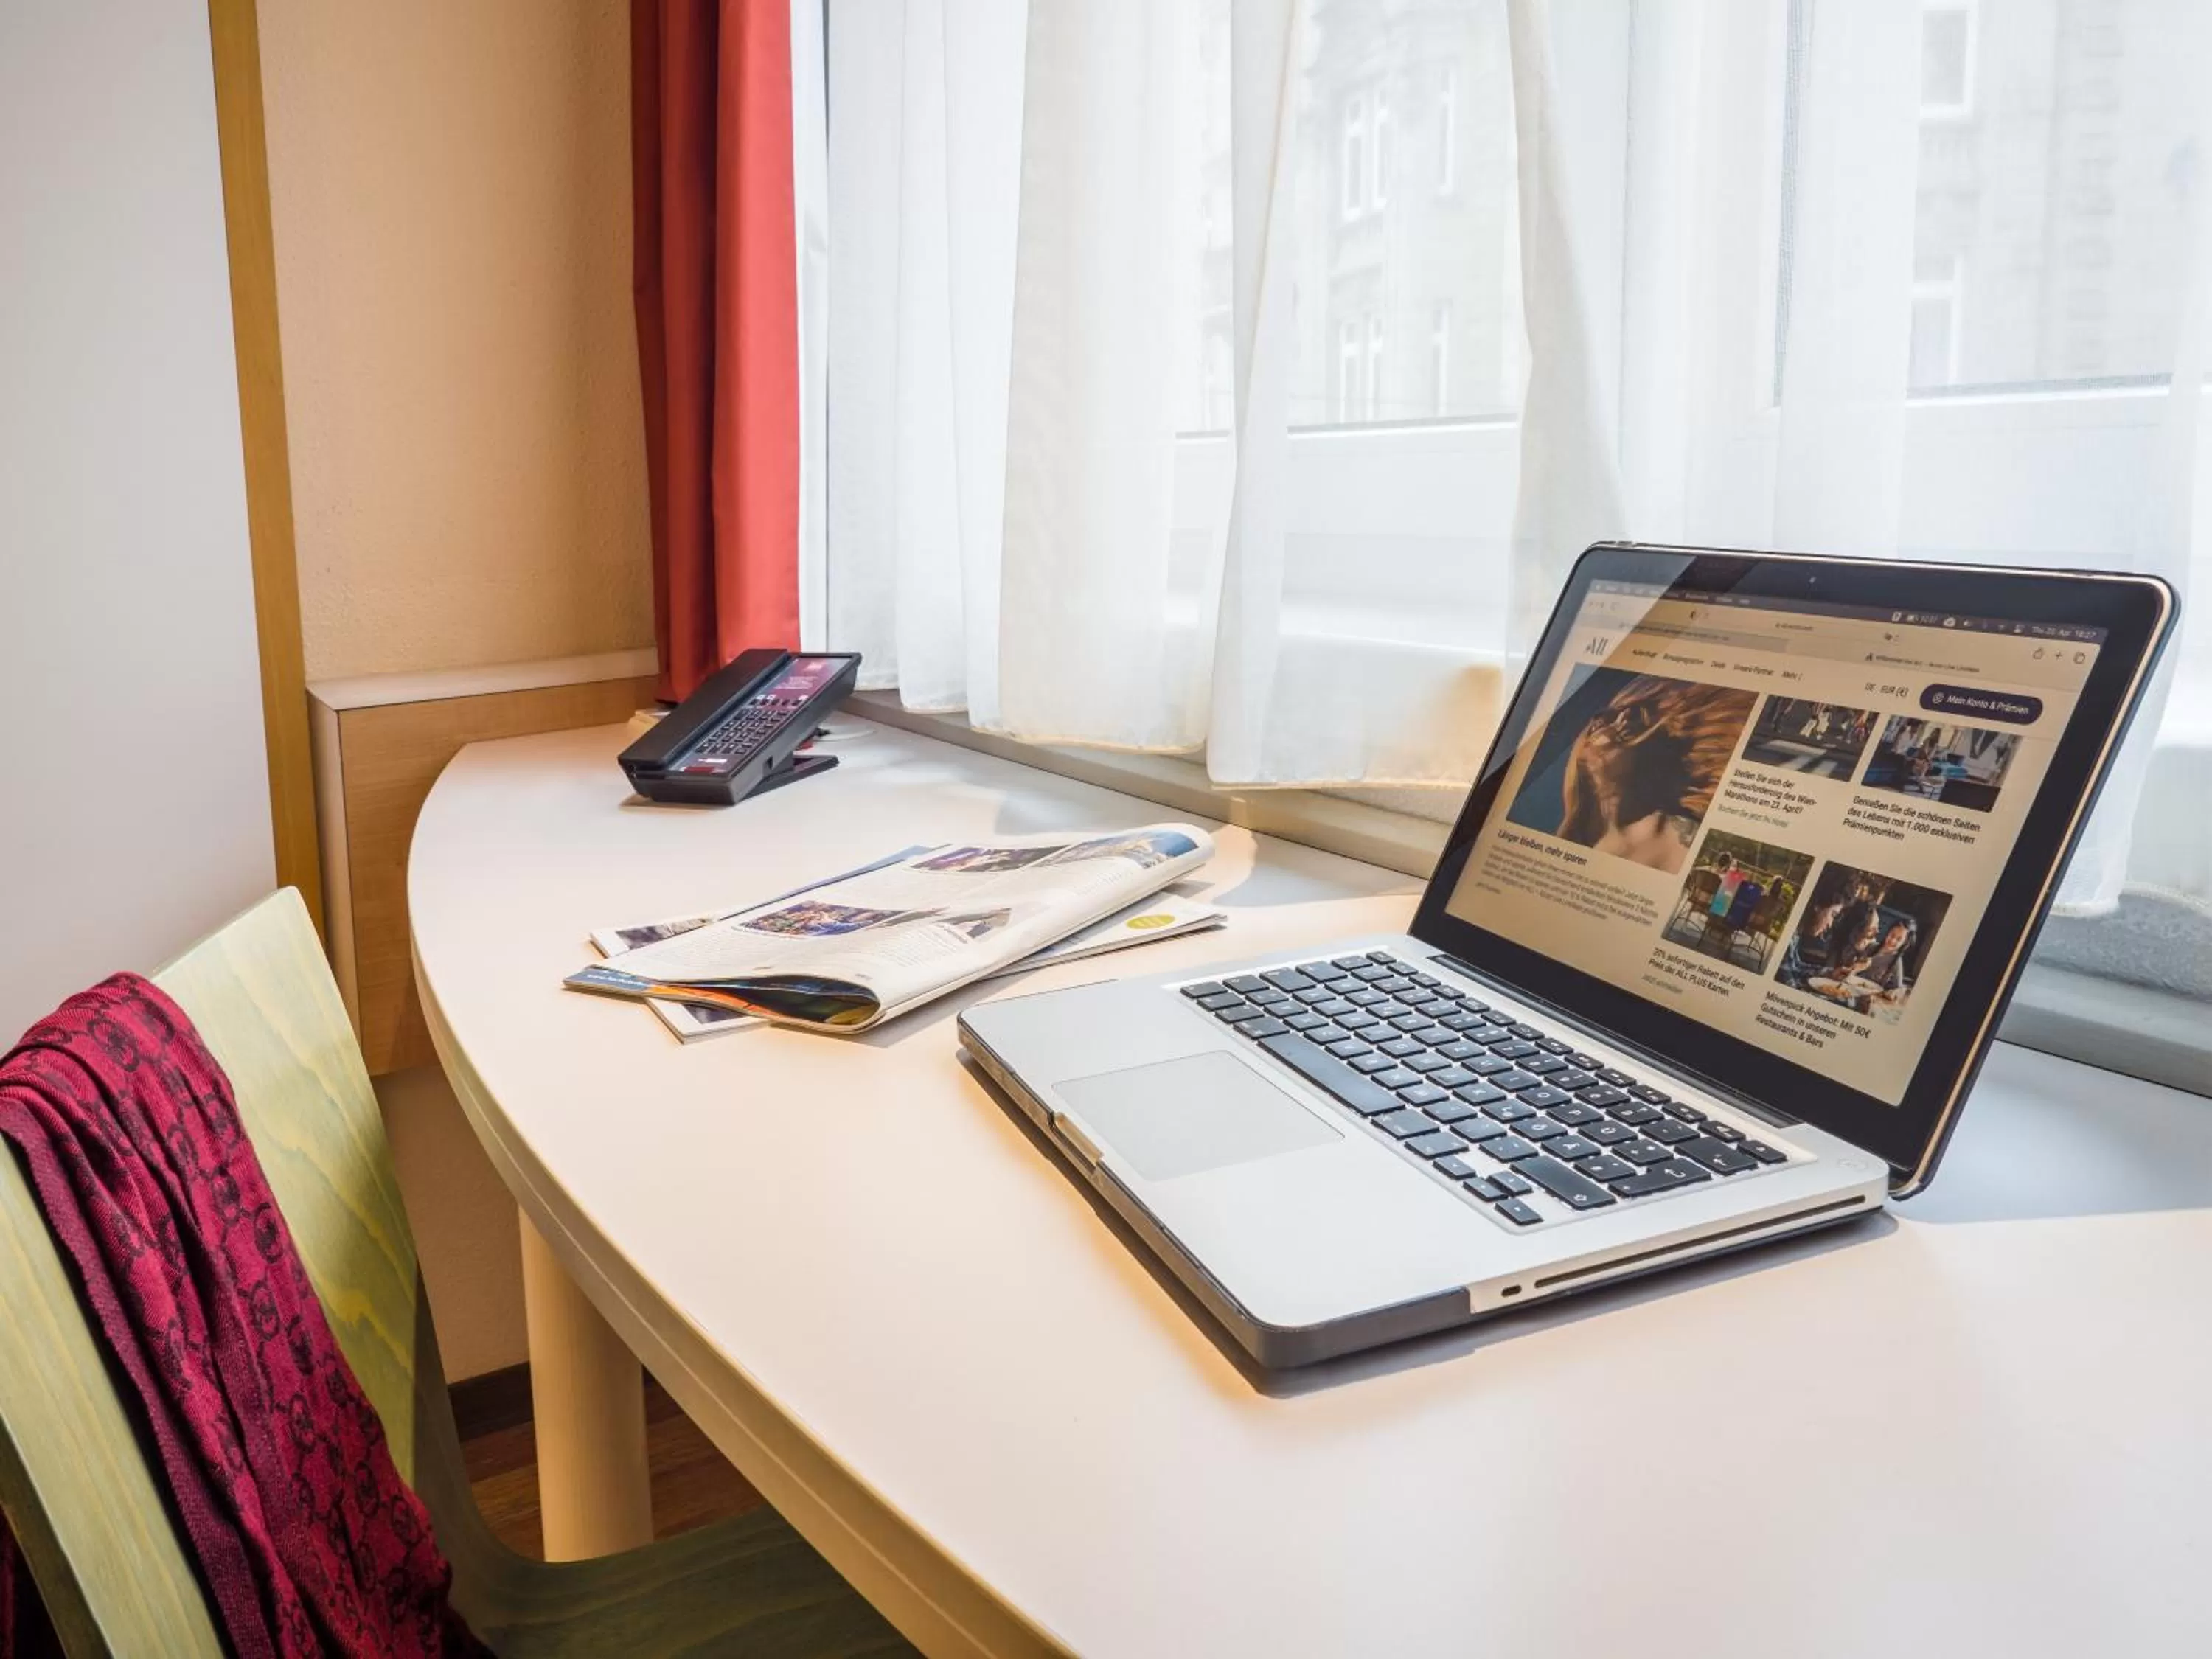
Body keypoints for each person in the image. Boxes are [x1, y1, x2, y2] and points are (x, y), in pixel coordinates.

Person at [1557, 676, 1758, 873]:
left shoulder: (1691, 832)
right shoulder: (1568, 855)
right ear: (1582, 764)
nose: (1624, 718)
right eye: (1602, 723)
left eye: (1637, 716)